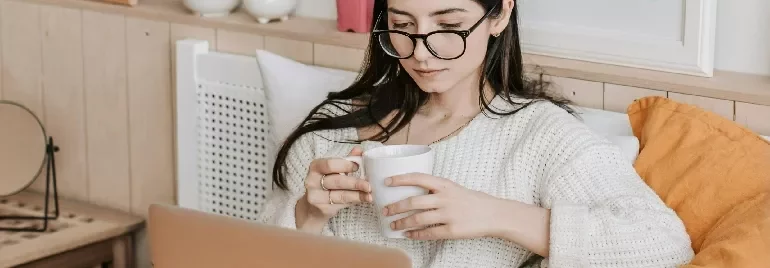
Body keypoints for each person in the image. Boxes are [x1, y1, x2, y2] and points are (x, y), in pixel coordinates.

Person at [258, 0, 695, 267]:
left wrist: (495, 216)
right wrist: (307, 217)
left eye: (448, 27)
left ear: (500, 13)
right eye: (404, 27)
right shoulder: (332, 133)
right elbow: (251, 255)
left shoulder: (539, 136)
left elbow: (664, 245)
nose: (423, 52)